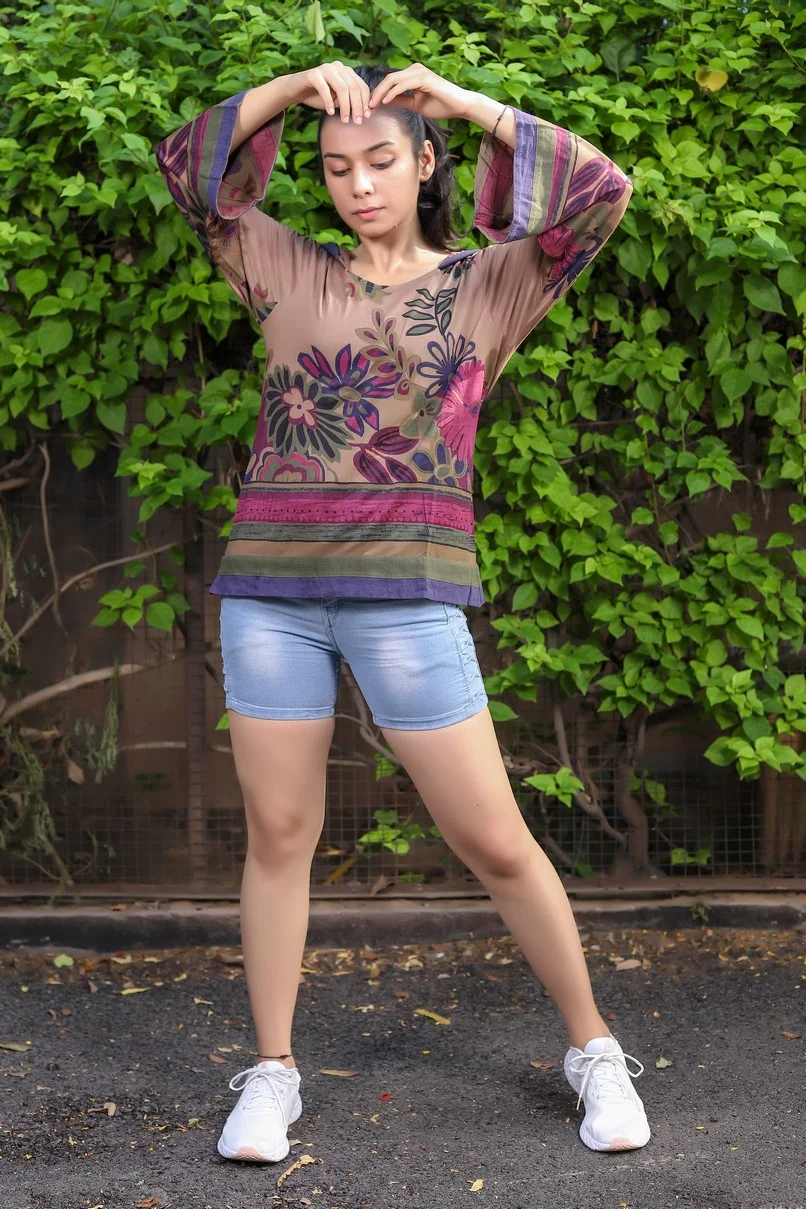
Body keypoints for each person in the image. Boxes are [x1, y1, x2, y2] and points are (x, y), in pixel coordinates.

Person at [154, 58, 646, 1164]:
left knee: (494, 840)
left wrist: (466, 104)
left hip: (409, 598)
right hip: (270, 596)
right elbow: (188, 170)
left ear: (425, 164)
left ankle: (595, 1050)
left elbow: (601, 192)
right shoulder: (278, 261)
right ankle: (272, 1074)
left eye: (381, 160)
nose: (359, 185)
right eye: (337, 168)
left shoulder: (493, 282)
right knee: (279, 836)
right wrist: (293, 87)